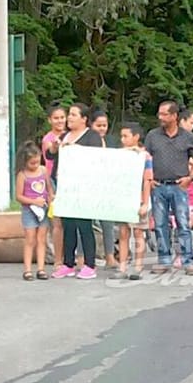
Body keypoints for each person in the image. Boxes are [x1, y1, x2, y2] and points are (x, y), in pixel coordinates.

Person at [145, 100, 193, 275]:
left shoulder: (187, 137)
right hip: (158, 186)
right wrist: (149, 178)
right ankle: (164, 259)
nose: (160, 117)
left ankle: (187, 260)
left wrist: (190, 177)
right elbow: (146, 157)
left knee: (183, 224)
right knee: (160, 225)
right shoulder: (153, 135)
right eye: (160, 114)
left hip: (179, 186)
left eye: (164, 114)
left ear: (174, 116)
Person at [51, 103, 104, 279]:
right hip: (64, 186)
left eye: (74, 114)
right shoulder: (64, 136)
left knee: (84, 225)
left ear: (84, 119)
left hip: (83, 187)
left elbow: (96, 158)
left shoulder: (92, 136)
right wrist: (55, 148)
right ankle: (68, 263)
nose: (69, 118)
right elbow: (51, 155)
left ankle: (89, 264)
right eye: (70, 114)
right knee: (68, 225)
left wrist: (74, 149)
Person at [113, 122, 153, 280]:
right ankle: (122, 266)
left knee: (138, 233)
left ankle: (138, 266)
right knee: (123, 233)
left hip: (139, 199)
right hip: (123, 199)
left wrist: (145, 203)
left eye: (126, 136)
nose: (123, 139)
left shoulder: (144, 156)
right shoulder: (119, 155)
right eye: (121, 136)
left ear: (136, 137)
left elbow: (147, 180)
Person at [15, 143, 53, 281]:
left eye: (37, 162)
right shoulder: (22, 175)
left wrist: (50, 198)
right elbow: (19, 196)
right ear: (25, 162)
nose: (35, 165)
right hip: (29, 210)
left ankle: (41, 268)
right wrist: (33, 201)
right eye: (32, 163)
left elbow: (48, 188)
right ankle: (27, 270)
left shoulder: (43, 170)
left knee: (42, 239)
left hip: (43, 208)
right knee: (30, 239)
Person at [90, 108, 118, 268]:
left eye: (104, 125)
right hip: (89, 186)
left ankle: (110, 256)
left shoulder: (112, 142)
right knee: (87, 223)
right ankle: (84, 257)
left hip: (107, 187)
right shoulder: (85, 141)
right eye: (98, 125)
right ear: (91, 125)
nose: (102, 129)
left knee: (108, 223)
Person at [41, 102, 67, 264]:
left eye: (62, 117)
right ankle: (58, 258)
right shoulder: (48, 139)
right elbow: (48, 164)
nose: (60, 121)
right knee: (57, 223)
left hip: (70, 180)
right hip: (54, 180)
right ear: (49, 120)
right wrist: (50, 190)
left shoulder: (70, 135)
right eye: (56, 118)